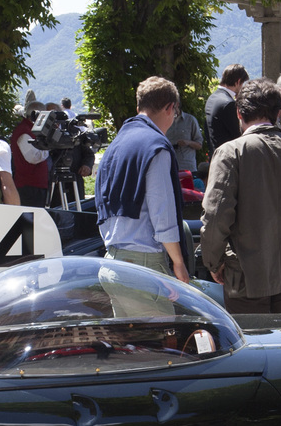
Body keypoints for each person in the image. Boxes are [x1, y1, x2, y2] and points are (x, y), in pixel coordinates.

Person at [199, 78, 281, 314]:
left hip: (246, 279)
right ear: (280, 112)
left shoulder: (230, 153)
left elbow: (216, 216)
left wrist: (214, 261)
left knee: (254, 348)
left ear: (239, 113)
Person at [96, 77, 190, 279]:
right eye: (175, 112)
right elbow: (162, 214)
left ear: (138, 105)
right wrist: (179, 262)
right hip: (144, 266)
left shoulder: (116, 144)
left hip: (111, 263)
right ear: (169, 108)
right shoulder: (155, 147)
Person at [6, 104, 53, 207]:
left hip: (34, 184)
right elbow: (33, 157)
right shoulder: (24, 131)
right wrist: (48, 147)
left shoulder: (28, 129)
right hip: (29, 186)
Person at [204, 63, 248, 155]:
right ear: (238, 82)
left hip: (215, 155)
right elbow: (238, 136)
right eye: (242, 83)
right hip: (228, 157)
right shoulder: (228, 104)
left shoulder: (212, 98)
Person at [165, 99, 203, 182]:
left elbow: (199, 145)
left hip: (188, 167)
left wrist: (188, 142)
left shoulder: (190, 120)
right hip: (169, 167)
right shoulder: (165, 121)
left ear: (177, 104)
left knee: (188, 193)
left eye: (171, 106)